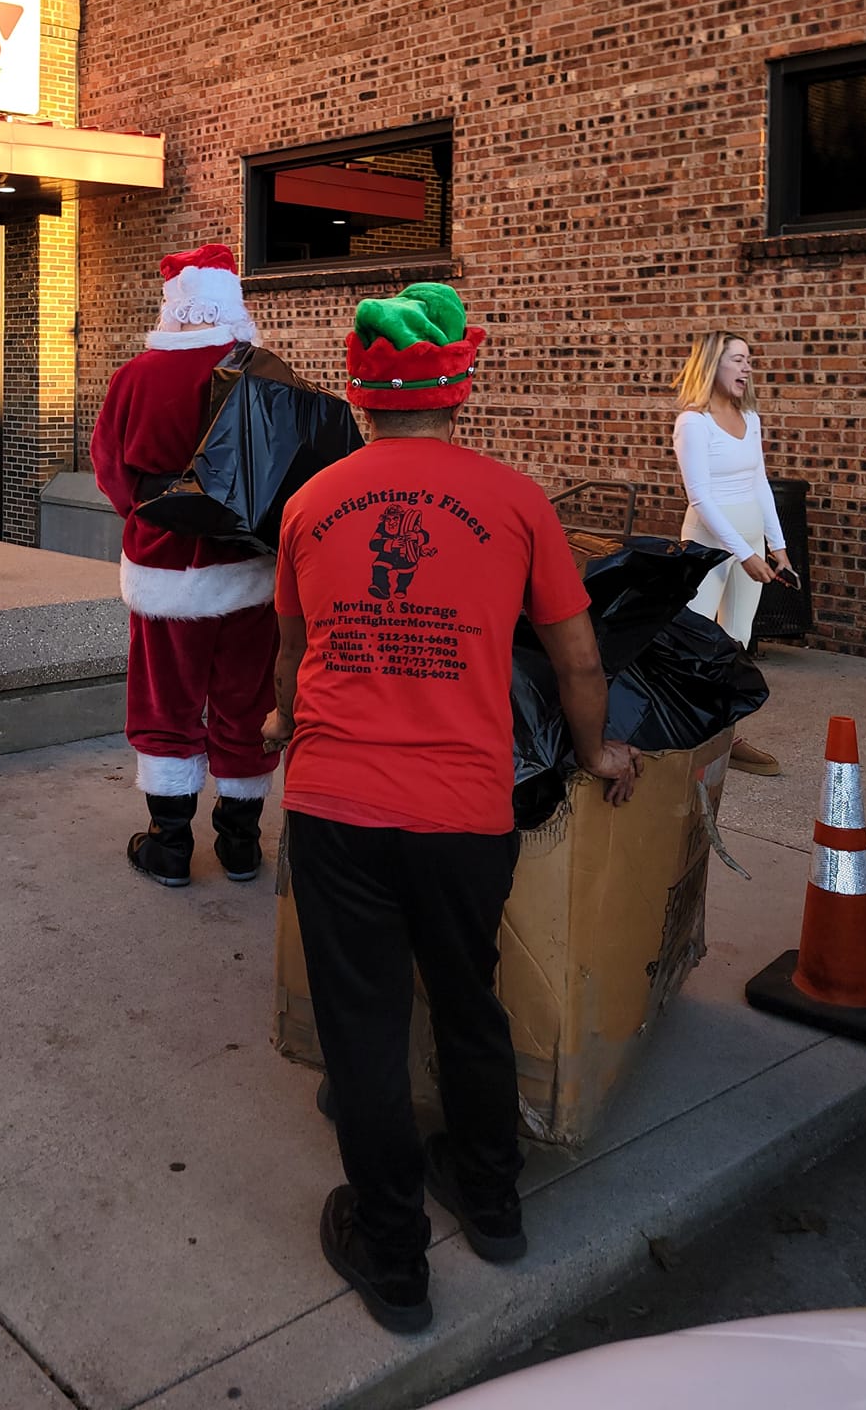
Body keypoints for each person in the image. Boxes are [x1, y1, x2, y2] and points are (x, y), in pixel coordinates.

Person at [270, 282, 641, 1335]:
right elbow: (578, 657)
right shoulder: (517, 500)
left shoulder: (309, 501)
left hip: (339, 802)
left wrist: (283, 725)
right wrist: (591, 750)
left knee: (366, 1024)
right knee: (469, 1003)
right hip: (463, 810)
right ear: (459, 393)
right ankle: (491, 1200)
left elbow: (295, 657)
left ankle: (393, 1258)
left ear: (362, 394)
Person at [89, 243, 280, 887]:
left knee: (165, 699)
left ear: (175, 307)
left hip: (162, 569)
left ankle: (170, 844)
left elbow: (113, 473)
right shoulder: (263, 371)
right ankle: (240, 844)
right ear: (233, 308)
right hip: (249, 569)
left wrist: (149, 516)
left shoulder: (134, 377)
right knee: (246, 701)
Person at [671, 329, 795, 777]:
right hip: (709, 546)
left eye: (749, 360)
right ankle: (687, 733)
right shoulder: (693, 423)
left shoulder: (750, 417)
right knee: (697, 637)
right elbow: (701, 498)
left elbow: (759, 482)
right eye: (738, 359)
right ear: (712, 365)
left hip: (749, 542)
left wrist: (776, 544)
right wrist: (743, 553)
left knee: (737, 637)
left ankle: (725, 732)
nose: (747, 367)